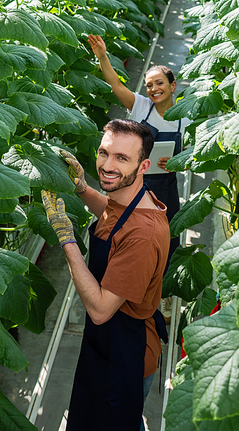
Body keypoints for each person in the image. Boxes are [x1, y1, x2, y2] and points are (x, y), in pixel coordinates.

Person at [41, 119, 170, 431]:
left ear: (144, 165)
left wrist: (67, 240)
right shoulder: (132, 196)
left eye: (121, 158)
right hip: (109, 345)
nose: (108, 165)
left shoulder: (143, 235)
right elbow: (112, 216)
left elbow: (99, 310)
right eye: (104, 153)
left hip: (127, 353)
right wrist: (82, 188)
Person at [87, 33, 190, 264]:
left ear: (172, 86)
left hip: (166, 188)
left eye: (159, 83)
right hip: (135, 184)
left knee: (166, 234)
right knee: (128, 232)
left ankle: (161, 278)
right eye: (149, 85)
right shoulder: (141, 106)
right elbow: (114, 84)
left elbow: (192, 154)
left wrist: (179, 162)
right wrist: (103, 56)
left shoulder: (185, 118)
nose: (153, 89)